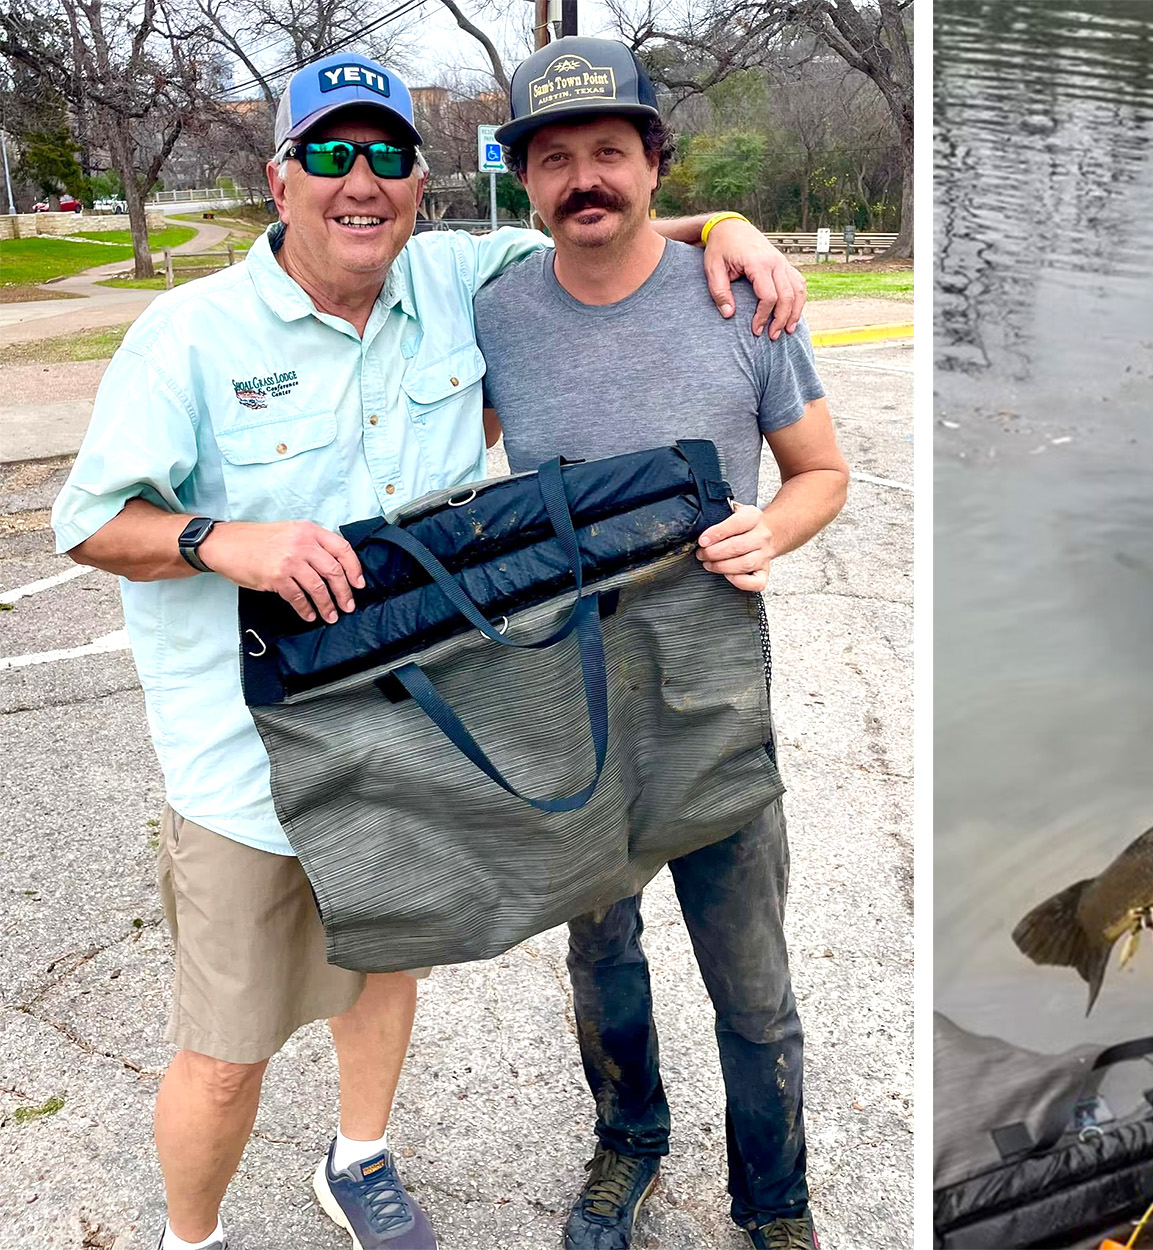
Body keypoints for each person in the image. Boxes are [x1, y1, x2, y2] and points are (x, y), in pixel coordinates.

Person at [50, 50, 806, 1250]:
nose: (364, 180)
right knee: (228, 1052)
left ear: (421, 180)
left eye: (389, 155)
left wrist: (732, 224)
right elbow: (87, 521)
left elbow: (602, 219)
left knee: (383, 965)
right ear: (279, 176)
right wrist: (218, 539)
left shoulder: (455, 280)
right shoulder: (187, 333)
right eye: (333, 154)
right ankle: (187, 1238)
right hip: (247, 761)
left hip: (413, 730)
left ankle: (360, 1159)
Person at [471, 37, 848, 1250]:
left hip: (712, 696)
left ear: (652, 164)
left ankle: (773, 1199)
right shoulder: (496, 316)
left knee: (752, 978)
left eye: (611, 154)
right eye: (557, 158)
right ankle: (627, 1139)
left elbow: (823, 472)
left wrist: (769, 530)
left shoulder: (739, 300)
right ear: (524, 180)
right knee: (603, 953)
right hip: (566, 698)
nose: (586, 180)